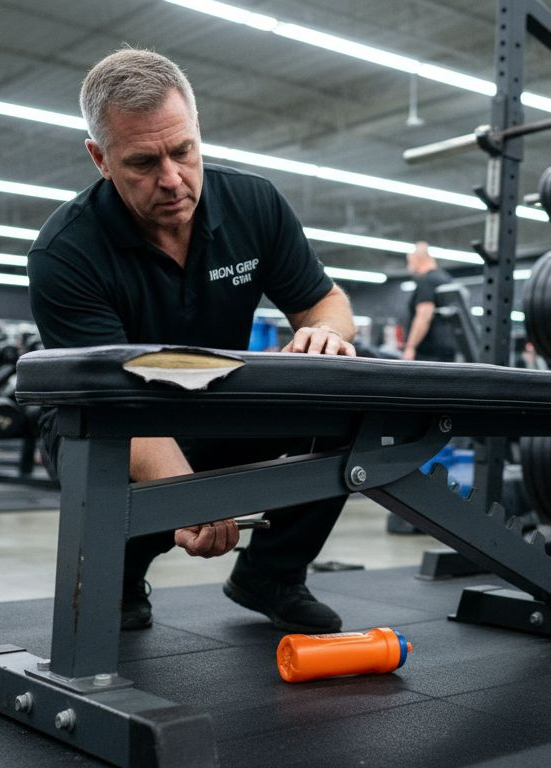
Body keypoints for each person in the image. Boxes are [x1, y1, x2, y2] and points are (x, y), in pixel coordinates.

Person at [28, 48, 357, 634]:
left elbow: (326, 301)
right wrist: (191, 500)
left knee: (351, 395)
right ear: (100, 159)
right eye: (143, 162)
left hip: (214, 396)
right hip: (106, 417)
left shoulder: (254, 204)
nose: (172, 179)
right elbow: (119, 411)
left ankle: (272, 573)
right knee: (103, 458)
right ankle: (120, 574)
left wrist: (325, 333)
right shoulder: (65, 253)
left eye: (183, 151)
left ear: (198, 130)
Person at [402, 242, 458, 362]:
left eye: (409, 262)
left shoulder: (427, 281)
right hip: (446, 350)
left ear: (416, 259)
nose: (409, 267)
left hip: (428, 353)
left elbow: (424, 316)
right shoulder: (445, 278)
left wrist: (410, 347)